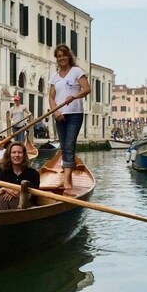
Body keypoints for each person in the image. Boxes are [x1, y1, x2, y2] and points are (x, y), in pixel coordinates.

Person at [49, 44, 91, 191]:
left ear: (68, 56)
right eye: (59, 56)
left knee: (69, 145)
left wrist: (74, 96)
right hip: (60, 115)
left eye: (64, 55)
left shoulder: (76, 71)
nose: (62, 58)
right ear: (57, 59)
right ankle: (68, 179)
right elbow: (51, 97)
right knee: (64, 147)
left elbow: (87, 89)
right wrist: (56, 112)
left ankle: (66, 181)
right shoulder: (54, 77)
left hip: (74, 114)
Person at [0, 141, 40, 209]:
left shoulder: (33, 173)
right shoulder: (4, 174)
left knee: (12, 198)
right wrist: (5, 189)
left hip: (28, 209)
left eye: (20, 152)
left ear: (24, 155)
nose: (17, 155)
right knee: (3, 197)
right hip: (7, 206)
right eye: (14, 152)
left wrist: (17, 191)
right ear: (9, 155)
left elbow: (33, 195)